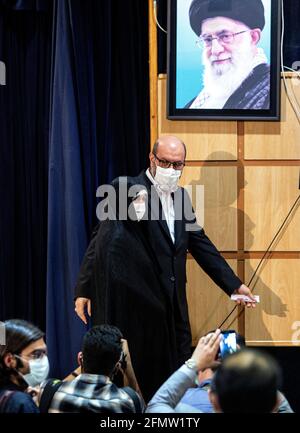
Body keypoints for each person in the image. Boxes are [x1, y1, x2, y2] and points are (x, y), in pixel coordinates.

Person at [74, 135, 256, 401]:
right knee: (137, 381)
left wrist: (234, 285)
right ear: (152, 159)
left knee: (176, 376)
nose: (171, 170)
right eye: (165, 162)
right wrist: (84, 288)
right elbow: (99, 240)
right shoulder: (128, 188)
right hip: (138, 308)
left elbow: (200, 244)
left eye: (178, 164)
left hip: (172, 307)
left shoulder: (181, 197)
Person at [146, 331, 284, 413]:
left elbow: (157, 405)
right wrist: (246, 368)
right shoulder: (276, 400)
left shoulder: (182, 405)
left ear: (213, 398)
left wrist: (193, 363)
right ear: (276, 403)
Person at [39, 325, 144, 413]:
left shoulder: (47, 390)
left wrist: (86, 359)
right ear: (117, 368)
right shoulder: (128, 401)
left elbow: (56, 386)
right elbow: (139, 406)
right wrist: (127, 363)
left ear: (80, 359)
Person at [186, 0, 270, 109]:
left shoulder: (271, 89)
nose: (215, 50)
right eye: (208, 39)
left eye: (225, 36)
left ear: (253, 37)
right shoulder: (202, 98)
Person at [0, 319, 49, 413]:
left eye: (44, 353)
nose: (44, 360)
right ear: (9, 360)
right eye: (36, 354)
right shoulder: (20, 403)